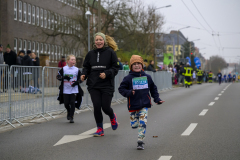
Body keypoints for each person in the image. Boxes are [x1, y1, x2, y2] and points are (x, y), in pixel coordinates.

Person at [118, 55, 165, 150]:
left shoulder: (147, 77)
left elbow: (153, 89)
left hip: (144, 104)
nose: (136, 66)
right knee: (134, 124)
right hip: (133, 105)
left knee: (143, 123)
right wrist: (129, 92)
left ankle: (140, 141)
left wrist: (157, 99)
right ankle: (135, 124)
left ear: (142, 65)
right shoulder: (128, 78)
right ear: (131, 66)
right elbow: (121, 89)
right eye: (134, 64)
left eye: (138, 64)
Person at [81, 32, 119, 136]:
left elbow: (116, 68)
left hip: (107, 85)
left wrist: (106, 74)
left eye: (100, 40)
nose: (98, 41)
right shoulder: (90, 54)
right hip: (94, 85)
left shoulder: (110, 52)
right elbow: (86, 67)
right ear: (94, 41)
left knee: (105, 107)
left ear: (104, 41)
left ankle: (112, 116)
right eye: (97, 40)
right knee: (97, 106)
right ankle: (100, 129)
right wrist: (84, 74)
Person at [57, 55, 83, 123]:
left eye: (74, 59)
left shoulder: (77, 70)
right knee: (66, 103)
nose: (74, 61)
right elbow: (58, 76)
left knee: (72, 102)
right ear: (68, 61)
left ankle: (71, 116)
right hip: (65, 89)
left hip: (74, 89)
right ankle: (68, 110)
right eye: (72, 59)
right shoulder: (64, 69)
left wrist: (77, 82)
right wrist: (64, 78)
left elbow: (81, 79)